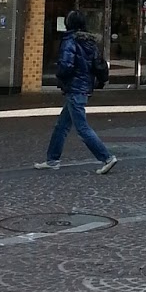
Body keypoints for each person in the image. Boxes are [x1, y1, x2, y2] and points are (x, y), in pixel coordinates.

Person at [35, 10, 117, 173]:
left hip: (75, 88)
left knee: (81, 128)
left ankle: (106, 157)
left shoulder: (70, 40)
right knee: (61, 126)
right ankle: (52, 159)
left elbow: (66, 66)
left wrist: (60, 76)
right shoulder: (89, 42)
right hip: (84, 87)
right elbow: (96, 64)